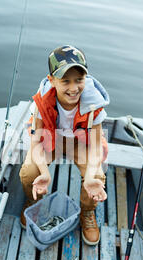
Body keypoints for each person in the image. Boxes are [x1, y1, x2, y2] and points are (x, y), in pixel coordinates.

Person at [19, 45, 109, 245]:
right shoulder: (42, 102)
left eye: (79, 80)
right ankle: (34, 201)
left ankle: (87, 212)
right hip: (50, 140)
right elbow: (35, 143)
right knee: (29, 171)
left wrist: (89, 178)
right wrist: (44, 171)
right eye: (65, 81)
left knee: (96, 176)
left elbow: (95, 147)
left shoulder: (93, 104)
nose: (73, 88)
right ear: (51, 80)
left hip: (81, 143)